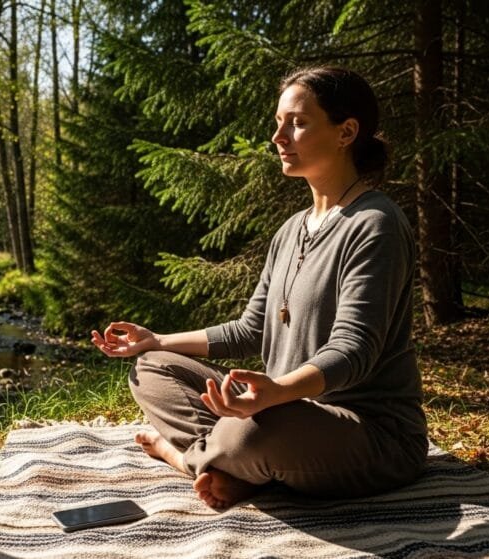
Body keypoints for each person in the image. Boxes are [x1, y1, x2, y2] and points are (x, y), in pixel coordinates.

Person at [90, 66, 427, 509]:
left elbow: (355, 348)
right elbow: (252, 329)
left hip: (366, 432)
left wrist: (278, 392)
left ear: (346, 132)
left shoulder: (376, 225)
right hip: (278, 412)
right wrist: (157, 340)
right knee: (152, 368)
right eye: (278, 122)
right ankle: (237, 464)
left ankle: (188, 457)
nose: (279, 136)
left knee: (255, 429)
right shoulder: (292, 230)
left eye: (298, 122)